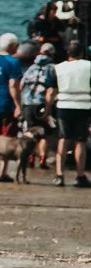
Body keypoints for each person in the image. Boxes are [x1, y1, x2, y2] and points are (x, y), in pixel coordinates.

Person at [53, 39, 91, 188]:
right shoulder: (89, 66)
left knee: (63, 139)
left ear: (68, 53)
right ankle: (80, 176)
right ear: (82, 53)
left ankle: (59, 175)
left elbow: (51, 91)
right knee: (80, 142)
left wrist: (48, 108)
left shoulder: (58, 68)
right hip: (83, 106)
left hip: (64, 106)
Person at [19, 45, 58, 172]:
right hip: (40, 104)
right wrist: (48, 109)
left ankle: (30, 157)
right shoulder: (52, 68)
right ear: (52, 54)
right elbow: (51, 91)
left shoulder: (31, 67)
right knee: (44, 132)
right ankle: (42, 159)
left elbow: (21, 85)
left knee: (30, 131)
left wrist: (21, 104)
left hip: (27, 103)